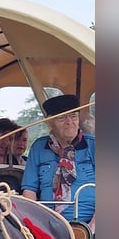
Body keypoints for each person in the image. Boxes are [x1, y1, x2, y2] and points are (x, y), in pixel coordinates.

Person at [21, 94, 95, 230]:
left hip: (88, 224)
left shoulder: (93, 145)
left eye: (73, 116)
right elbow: (29, 190)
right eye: (62, 118)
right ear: (49, 121)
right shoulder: (38, 147)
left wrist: (93, 227)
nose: (69, 122)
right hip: (46, 223)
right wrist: (33, 224)